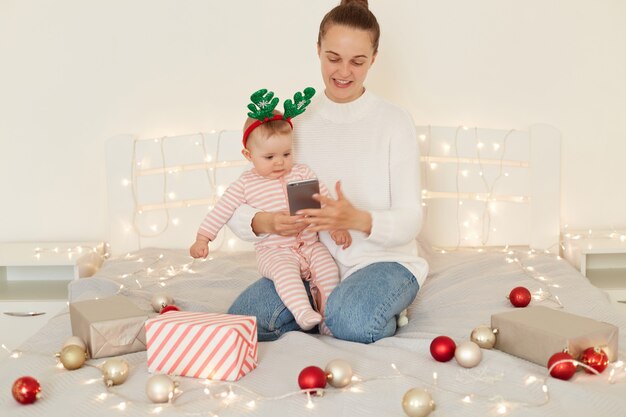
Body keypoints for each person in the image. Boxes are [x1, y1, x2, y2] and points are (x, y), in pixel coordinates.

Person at [227, 0, 428, 343]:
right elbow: (240, 199)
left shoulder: (395, 122)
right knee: (244, 321)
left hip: (384, 262)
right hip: (312, 263)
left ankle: (360, 305)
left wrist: (357, 219)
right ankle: (327, 305)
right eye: (333, 58)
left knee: (351, 320)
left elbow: (411, 219)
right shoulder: (297, 124)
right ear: (317, 50)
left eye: (358, 61)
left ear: (374, 59)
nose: (344, 72)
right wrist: (265, 222)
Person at [190, 87, 351, 333]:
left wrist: (336, 226)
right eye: (269, 157)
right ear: (248, 155)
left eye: (286, 153)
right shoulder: (245, 184)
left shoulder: (302, 172)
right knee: (286, 276)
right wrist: (203, 238)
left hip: (310, 245)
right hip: (274, 252)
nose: (280, 162)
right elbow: (221, 210)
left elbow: (323, 202)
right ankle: (302, 312)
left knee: (328, 270)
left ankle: (328, 318)